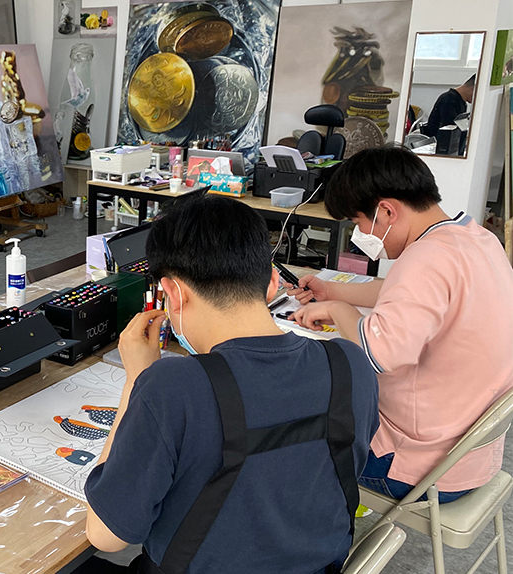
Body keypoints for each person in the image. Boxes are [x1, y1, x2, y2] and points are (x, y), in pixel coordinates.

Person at [81, 193, 379, 574]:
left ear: (172, 293)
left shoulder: (172, 387)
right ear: (272, 283)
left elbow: (105, 536)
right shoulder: (350, 365)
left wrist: (136, 381)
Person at [290, 146, 513, 503]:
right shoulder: (476, 238)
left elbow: (377, 356)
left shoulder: (425, 258)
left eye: (358, 223)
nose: (359, 233)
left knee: (289, 433)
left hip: (417, 466)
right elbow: (406, 292)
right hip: (470, 454)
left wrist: (338, 310)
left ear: (387, 211)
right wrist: (333, 290)